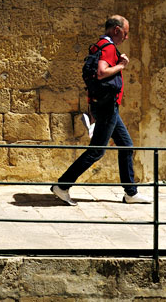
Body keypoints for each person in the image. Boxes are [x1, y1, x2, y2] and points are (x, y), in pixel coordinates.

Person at [52, 15, 150, 205]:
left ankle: (131, 193)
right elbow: (102, 72)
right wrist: (121, 65)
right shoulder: (108, 47)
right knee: (97, 151)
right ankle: (62, 185)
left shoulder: (99, 45)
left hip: (105, 105)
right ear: (116, 30)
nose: (126, 37)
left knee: (126, 146)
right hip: (107, 107)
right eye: (125, 33)